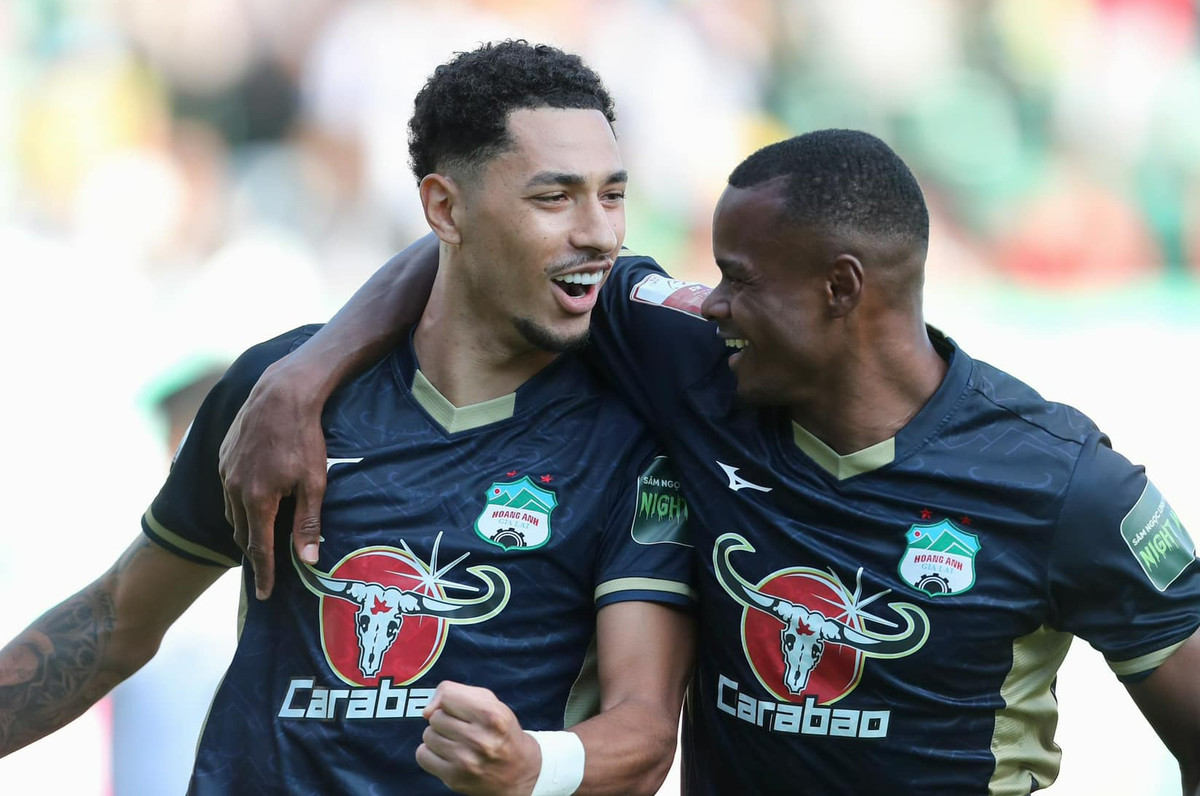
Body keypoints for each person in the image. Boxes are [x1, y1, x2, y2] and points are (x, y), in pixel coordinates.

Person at [221, 129, 1200, 795]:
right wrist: (304, 375)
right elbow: (477, 254)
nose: (714, 301)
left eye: (739, 278)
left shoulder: (1063, 483)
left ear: (841, 288)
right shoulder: (698, 364)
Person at [0, 40, 698, 796]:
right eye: (554, 198)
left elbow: (645, 730)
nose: (600, 232)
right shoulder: (279, 399)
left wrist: (533, 764)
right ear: (444, 208)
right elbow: (116, 621)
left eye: (612, 195)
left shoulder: (631, 435)